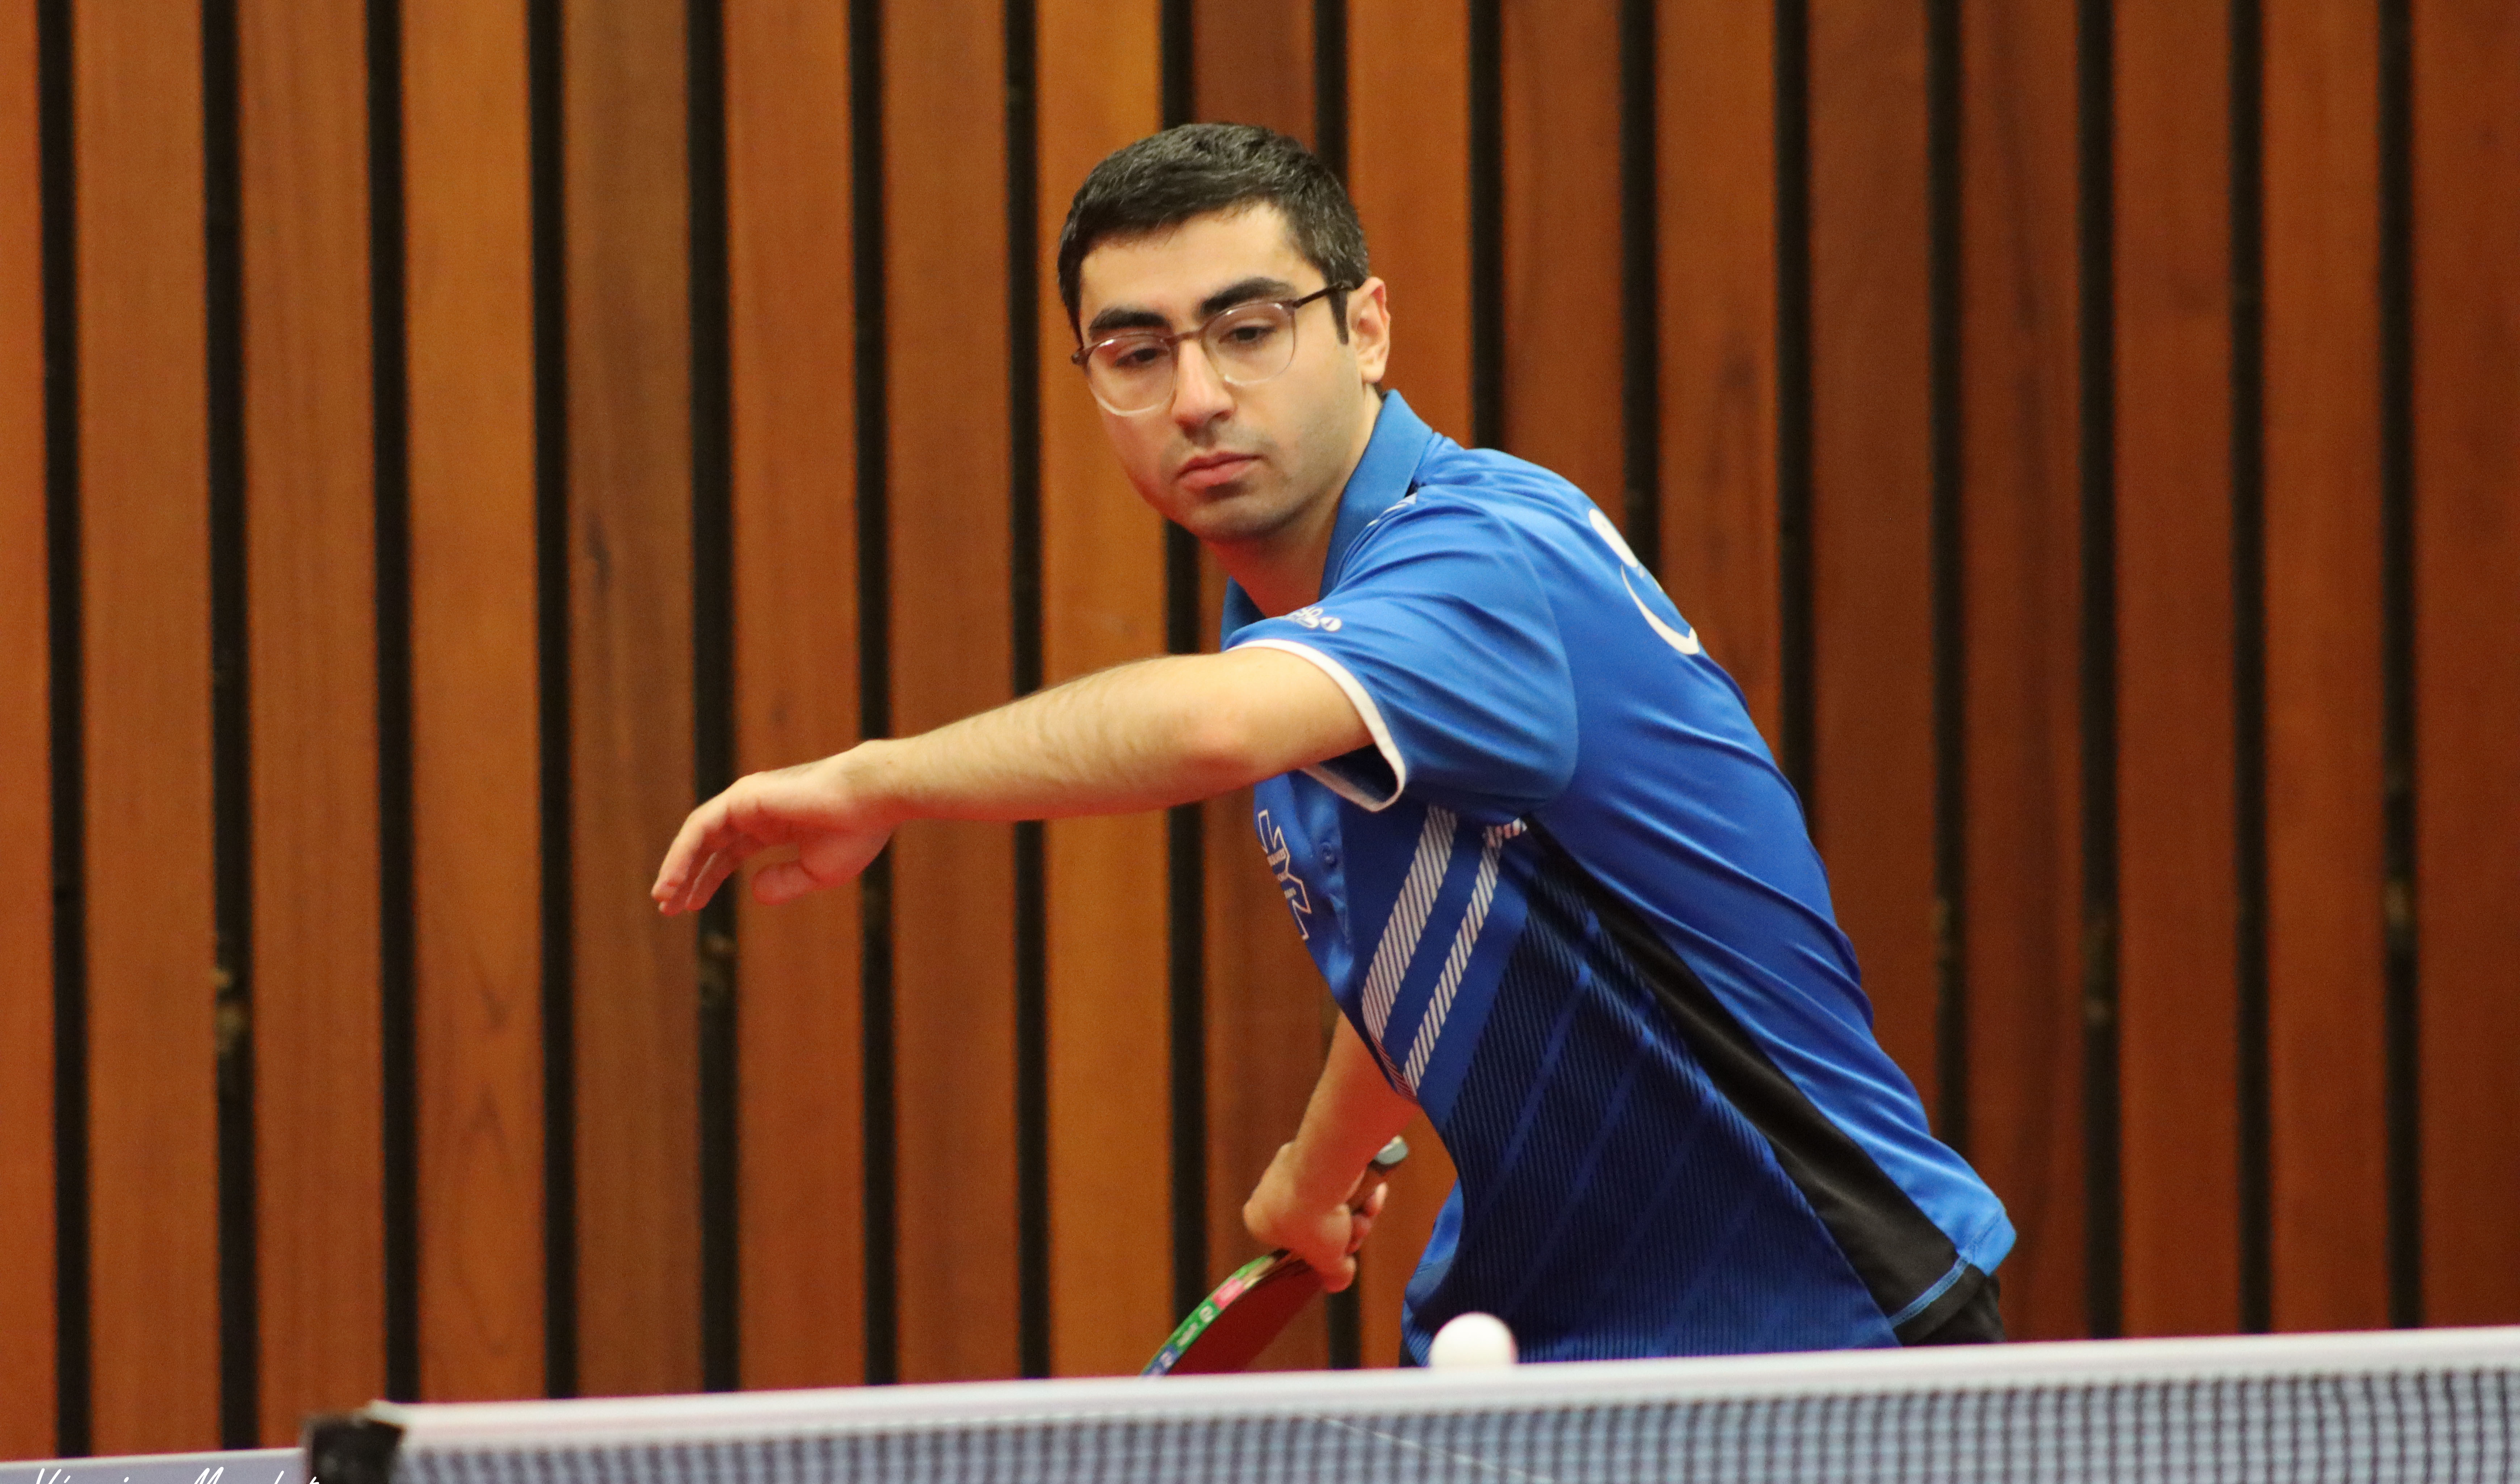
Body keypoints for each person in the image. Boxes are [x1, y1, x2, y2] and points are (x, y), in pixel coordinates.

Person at [652, 123, 2013, 1362]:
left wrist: (878, 780)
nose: (1197, 396)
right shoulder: (1307, 625)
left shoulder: (1481, 560)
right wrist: (1320, 1163)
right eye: (1137, 354)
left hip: (1821, 1323)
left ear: (1366, 330)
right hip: (1554, 1345)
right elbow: (1447, 928)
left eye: (1249, 330)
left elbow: (1210, 727)